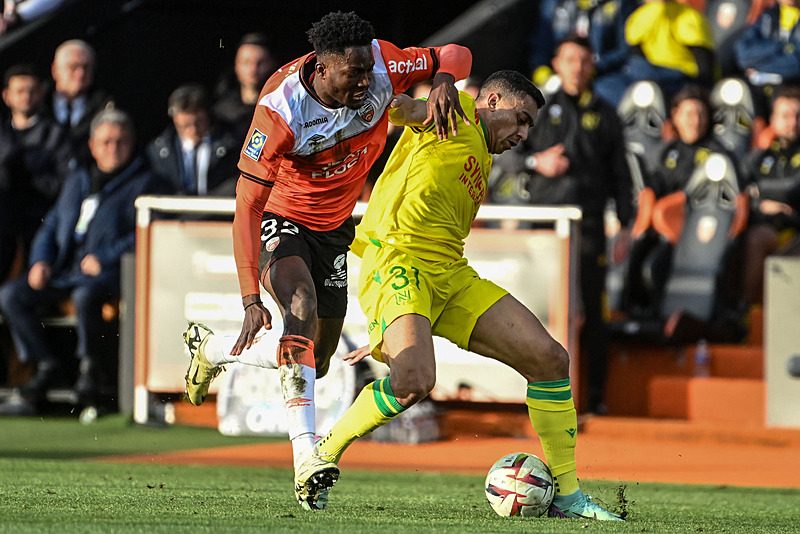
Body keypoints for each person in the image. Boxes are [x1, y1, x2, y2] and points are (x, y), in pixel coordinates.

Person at [180, 10, 471, 510]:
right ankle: (304, 459)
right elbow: (247, 207)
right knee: (299, 301)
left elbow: (456, 53)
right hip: (283, 219)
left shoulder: (383, 63)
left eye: (366, 71)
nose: (364, 82)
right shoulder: (279, 109)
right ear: (321, 66)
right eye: (352, 74)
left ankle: (212, 352)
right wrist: (250, 295)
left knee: (319, 350)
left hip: (334, 229)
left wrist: (443, 79)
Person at [308, 70, 623, 520]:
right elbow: (398, 108)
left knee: (550, 360)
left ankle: (568, 496)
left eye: (530, 126)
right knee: (415, 381)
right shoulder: (452, 111)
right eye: (521, 119)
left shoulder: (486, 151)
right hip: (399, 262)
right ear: (491, 100)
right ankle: (325, 450)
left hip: (450, 273)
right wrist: (386, 100)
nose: (524, 133)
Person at [0, 108, 170, 416]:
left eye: (120, 142)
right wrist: (41, 261)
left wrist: (105, 257)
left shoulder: (146, 182)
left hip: (110, 275)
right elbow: (51, 225)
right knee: (11, 295)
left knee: (85, 296)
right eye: (105, 142)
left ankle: (89, 373)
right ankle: (45, 365)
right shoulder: (79, 178)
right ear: (92, 145)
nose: (112, 148)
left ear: (131, 143)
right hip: (64, 271)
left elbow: (145, 232)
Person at [523, 35, 634, 415]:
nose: (577, 67)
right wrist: (537, 164)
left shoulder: (606, 113)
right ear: (556, 63)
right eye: (570, 59)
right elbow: (507, 154)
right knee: (534, 313)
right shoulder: (537, 108)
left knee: (592, 313)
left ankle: (594, 397)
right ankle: (536, 395)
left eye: (584, 60)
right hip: (542, 230)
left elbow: (622, 175)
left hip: (586, 232)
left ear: (593, 65)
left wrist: (625, 225)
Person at [0, 64, 72, 283]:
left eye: (32, 90)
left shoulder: (56, 134)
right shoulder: (3, 135)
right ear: (7, 96)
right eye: (20, 91)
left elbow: (64, 182)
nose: (26, 97)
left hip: (39, 220)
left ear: (41, 94)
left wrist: (29, 179)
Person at [739, 86, 800, 306]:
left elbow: (792, 189)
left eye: (798, 116)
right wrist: (759, 204)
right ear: (772, 119)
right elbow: (738, 192)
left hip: (792, 229)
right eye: (785, 116)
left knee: (758, 238)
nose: (793, 122)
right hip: (759, 221)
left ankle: (744, 311)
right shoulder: (757, 157)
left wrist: (757, 190)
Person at [593, 0, 717, 107]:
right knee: (603, 86)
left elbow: (705, 69)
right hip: (643, 80)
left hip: (680, 82)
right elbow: (636, 57)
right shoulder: (638, 17)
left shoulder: (689, 17)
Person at [147, 84, 240, 196]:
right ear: (174, 120)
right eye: (185, 125)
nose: (193, 130)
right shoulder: (159, 150)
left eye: (199, 122)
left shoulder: (231, 142)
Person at [650, 84, 739, 197]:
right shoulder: (665, 151)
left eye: (701, 115)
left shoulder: (718, 154)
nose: (696, 122)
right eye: (689, 115)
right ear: (675, 116)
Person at [42, 39, 113, 161]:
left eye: (86, 67)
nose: (80, 73)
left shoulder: (106, 106)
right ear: (55, 70)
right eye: (73, 67)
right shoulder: (37, 105)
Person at [212, 32, 277, 142]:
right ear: (236, 65)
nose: (253, 69)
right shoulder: (220, 111)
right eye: (246, 62)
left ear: (272, 63)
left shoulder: (279, 107)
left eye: (260, 63)